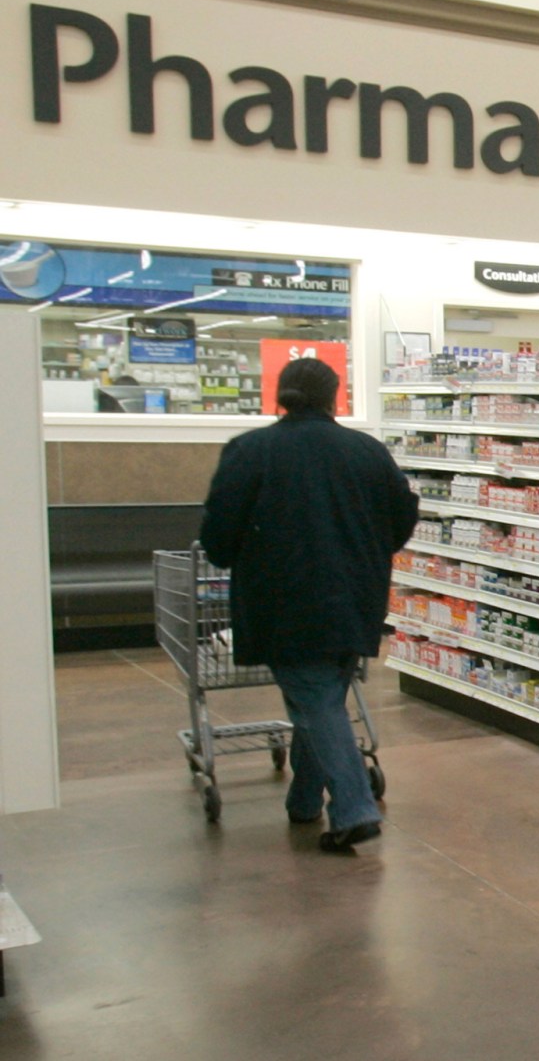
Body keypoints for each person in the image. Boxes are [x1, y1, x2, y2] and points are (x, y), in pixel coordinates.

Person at [199, 357, 418, 852]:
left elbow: (218, 533)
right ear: (334, 396)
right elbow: (402, 516)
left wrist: (235, 553)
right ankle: (303, 800)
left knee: (315, 700)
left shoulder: (251, 451)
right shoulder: (366, 451)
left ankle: (354, 809)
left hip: (284, 599)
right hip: (357, 595)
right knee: (320, 698)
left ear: (281, 395)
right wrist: (367, 551)